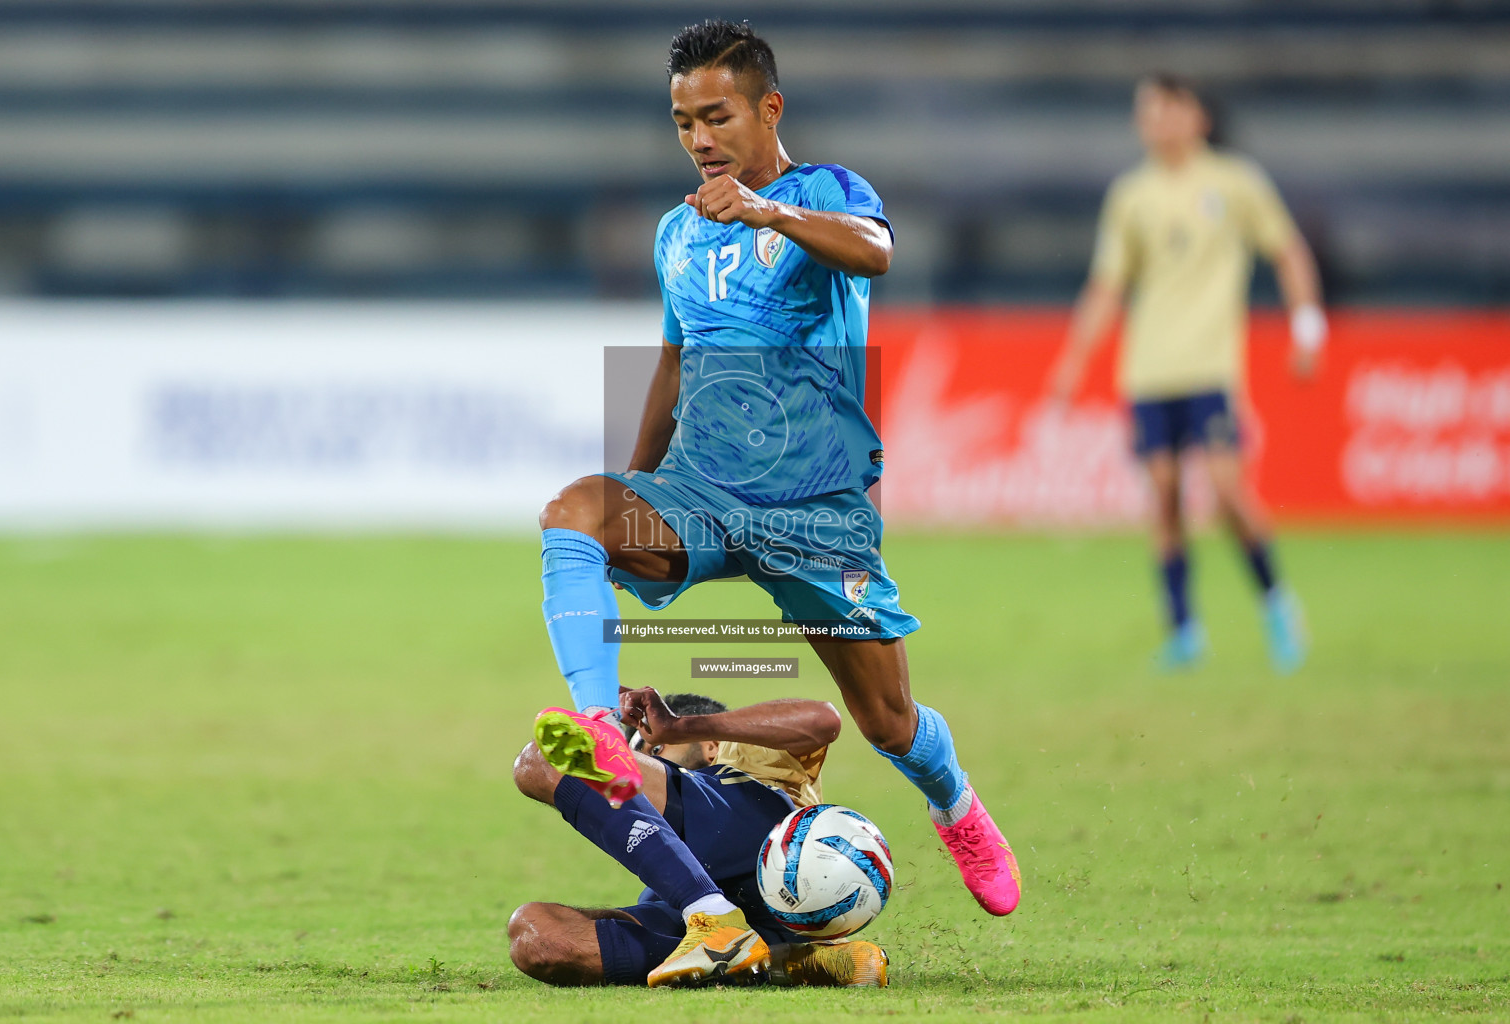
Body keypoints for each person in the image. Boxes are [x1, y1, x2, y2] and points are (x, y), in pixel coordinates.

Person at [531, 18, 1020, 988]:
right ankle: (600, 732)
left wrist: (766, 213)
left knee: (885, 719)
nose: (700, 138)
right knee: (575, 510)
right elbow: (671, 363)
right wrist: (636, 490)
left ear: (768, 108)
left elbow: (876, 251)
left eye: (715, 115)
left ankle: (955, 800)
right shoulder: (677, 232)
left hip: (813, 508)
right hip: (704, 493)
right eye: (682, 122)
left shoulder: (823, 195)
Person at [1047, 72, 1326, 672]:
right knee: (1166, 497)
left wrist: (1307, 325)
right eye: (1146, 110)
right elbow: (1108, 284)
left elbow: (1288, 250)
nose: (1155, 121)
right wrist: (1074, 359)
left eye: (1167, 108)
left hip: (1209, 368)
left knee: (1228, 492)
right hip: (1148, 372)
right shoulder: (1132, 195)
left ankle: (1277, 602)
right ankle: (1184, 632)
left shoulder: (1234, 182)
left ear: (1197, 115)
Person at [509, 687, 890, 988]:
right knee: (536, 937)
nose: (641, 759)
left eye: (655, 749)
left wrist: (681, 725)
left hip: (764, 844)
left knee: (547, 758)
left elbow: (823, 719)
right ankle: (783, 961)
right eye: (635, 753)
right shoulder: (667, 868)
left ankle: (714, 916)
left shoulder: (743, 760)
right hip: (731, 909)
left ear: (709, 746)